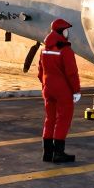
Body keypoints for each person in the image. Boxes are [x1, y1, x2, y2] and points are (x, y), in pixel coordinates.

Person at [37, 18, 81, 162]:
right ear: (62, 31)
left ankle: (47, 153)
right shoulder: (65, 50)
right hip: (62, 91)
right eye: (66, 30)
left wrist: (45, 84)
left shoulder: (44, 49)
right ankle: (58, 153)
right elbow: (72, 73)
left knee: (50, 119)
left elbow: (40, 71)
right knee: (63, 119)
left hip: (47, 88)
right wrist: (76, 91)